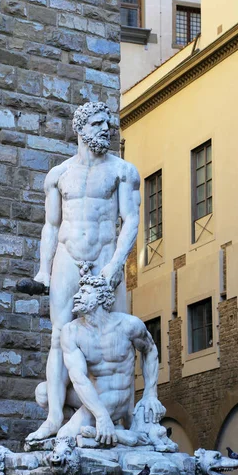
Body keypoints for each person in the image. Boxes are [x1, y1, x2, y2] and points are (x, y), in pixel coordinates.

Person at [26, 102, 141, 441]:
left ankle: (121, 418)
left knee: (116, 335)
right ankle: (52, 419)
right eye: (96, 123)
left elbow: (131, 220)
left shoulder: (122, 171)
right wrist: (43, 271)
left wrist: (116, 264)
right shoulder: (58, 175)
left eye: (108, 124)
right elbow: (50, 225)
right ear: (79, 128)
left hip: (106, 257)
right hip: (68, 258)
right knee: (59, 335)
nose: (105, 129)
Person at [34, 274, 165, 447]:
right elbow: (78, 378)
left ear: (101, 298)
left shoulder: (128, 325)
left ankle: (91, 426)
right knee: (43, 392)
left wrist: (150, 393)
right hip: (91, 394)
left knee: (65, 437)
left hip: (116, 396)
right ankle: (105, 429)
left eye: (85, 292)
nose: (77, 296)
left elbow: (150, 350)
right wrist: (101, 416)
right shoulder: (71, 331)